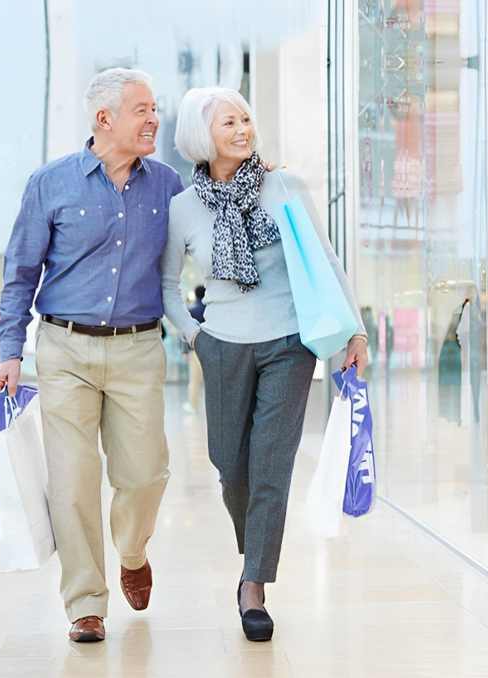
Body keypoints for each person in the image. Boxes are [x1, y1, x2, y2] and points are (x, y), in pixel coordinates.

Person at [161, 86, 368, 642]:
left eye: (246, 118)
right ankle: (254, 541)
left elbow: (326, 259)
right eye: (229, 122)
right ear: (202, 136)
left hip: (290, 344)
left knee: (272, 465)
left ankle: (253, 586)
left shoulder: (283, 185)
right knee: (232, 466)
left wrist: (356, 331)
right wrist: (193, 337)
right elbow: (166, 287)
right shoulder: (183, 207)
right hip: (222, 344)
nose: (243, 129)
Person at [0, 67, 185, 642]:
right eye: (143, 110)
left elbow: (213, 213)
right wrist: (8, 351)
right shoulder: (49, 183)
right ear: (105, 119)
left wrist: (260, 176)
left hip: (138, 348)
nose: (155, 119)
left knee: (145, 474)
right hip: (64, 349)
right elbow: (20, 272)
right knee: (74, 479)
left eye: (156, 108)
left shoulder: (169, 184)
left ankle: (132, 552)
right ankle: (86, 603)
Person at [183, 285, 206, 413]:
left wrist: (185, 351)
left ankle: (193, 405)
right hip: (211, 348)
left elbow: (185, 332)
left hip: (195, 348)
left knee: (194, 379)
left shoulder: (191, 311)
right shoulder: (210, 309)